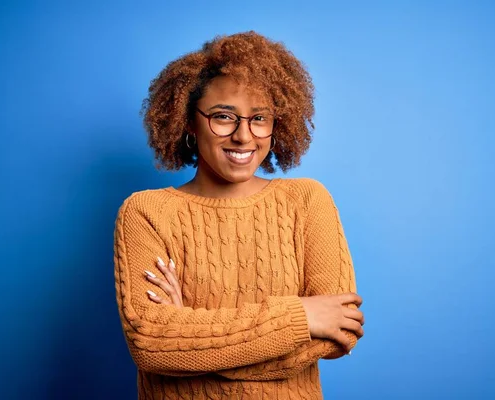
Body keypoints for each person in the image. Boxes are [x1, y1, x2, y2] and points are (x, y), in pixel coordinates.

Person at [113, 31, 365, 399]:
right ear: (188, 121)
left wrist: (190, 339)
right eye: (223, 117)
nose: (244, 136)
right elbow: (151, 344)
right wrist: (300, 317)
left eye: (259, 118)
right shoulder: (146, 212)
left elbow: (338, 332)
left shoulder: (307, 201)